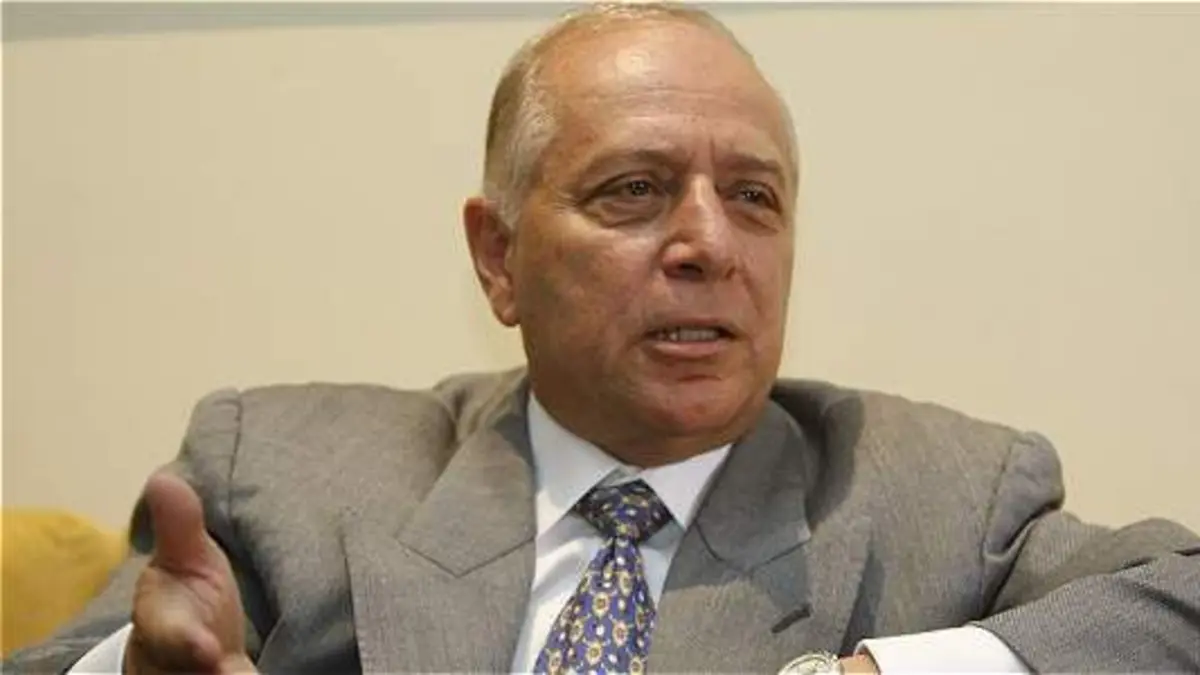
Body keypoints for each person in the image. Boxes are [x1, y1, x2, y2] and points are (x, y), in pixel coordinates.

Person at [8, 3, 1199, 674]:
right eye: (635, 190)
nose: (709, 245)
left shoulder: (942, 491)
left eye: (754, 197)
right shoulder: (281, 469)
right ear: (498, 257)